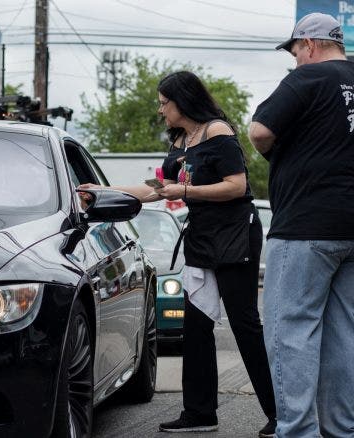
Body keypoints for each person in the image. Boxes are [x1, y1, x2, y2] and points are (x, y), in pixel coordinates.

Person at [79, 70, 276, 437]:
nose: (159, 110)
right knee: (195, 326)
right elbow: (157, 189)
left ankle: (279, 414)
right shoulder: (180, 140)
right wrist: (102, 191)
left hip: (235, 234)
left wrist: (184, 193)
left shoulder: (218, 131)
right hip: (202, 236)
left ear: (182, 100)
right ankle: (200, 413)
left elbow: (237, 186)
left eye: (163, 103)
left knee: (244, 324)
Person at [249, 12, 354, 438]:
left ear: (308, 45)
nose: (294, 61)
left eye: (294, 52)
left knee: (290, 330)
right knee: (342, 334)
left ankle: (296, 431)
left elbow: (258, 131)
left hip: (305, 226)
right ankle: (341, 430)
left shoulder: (308, 78)